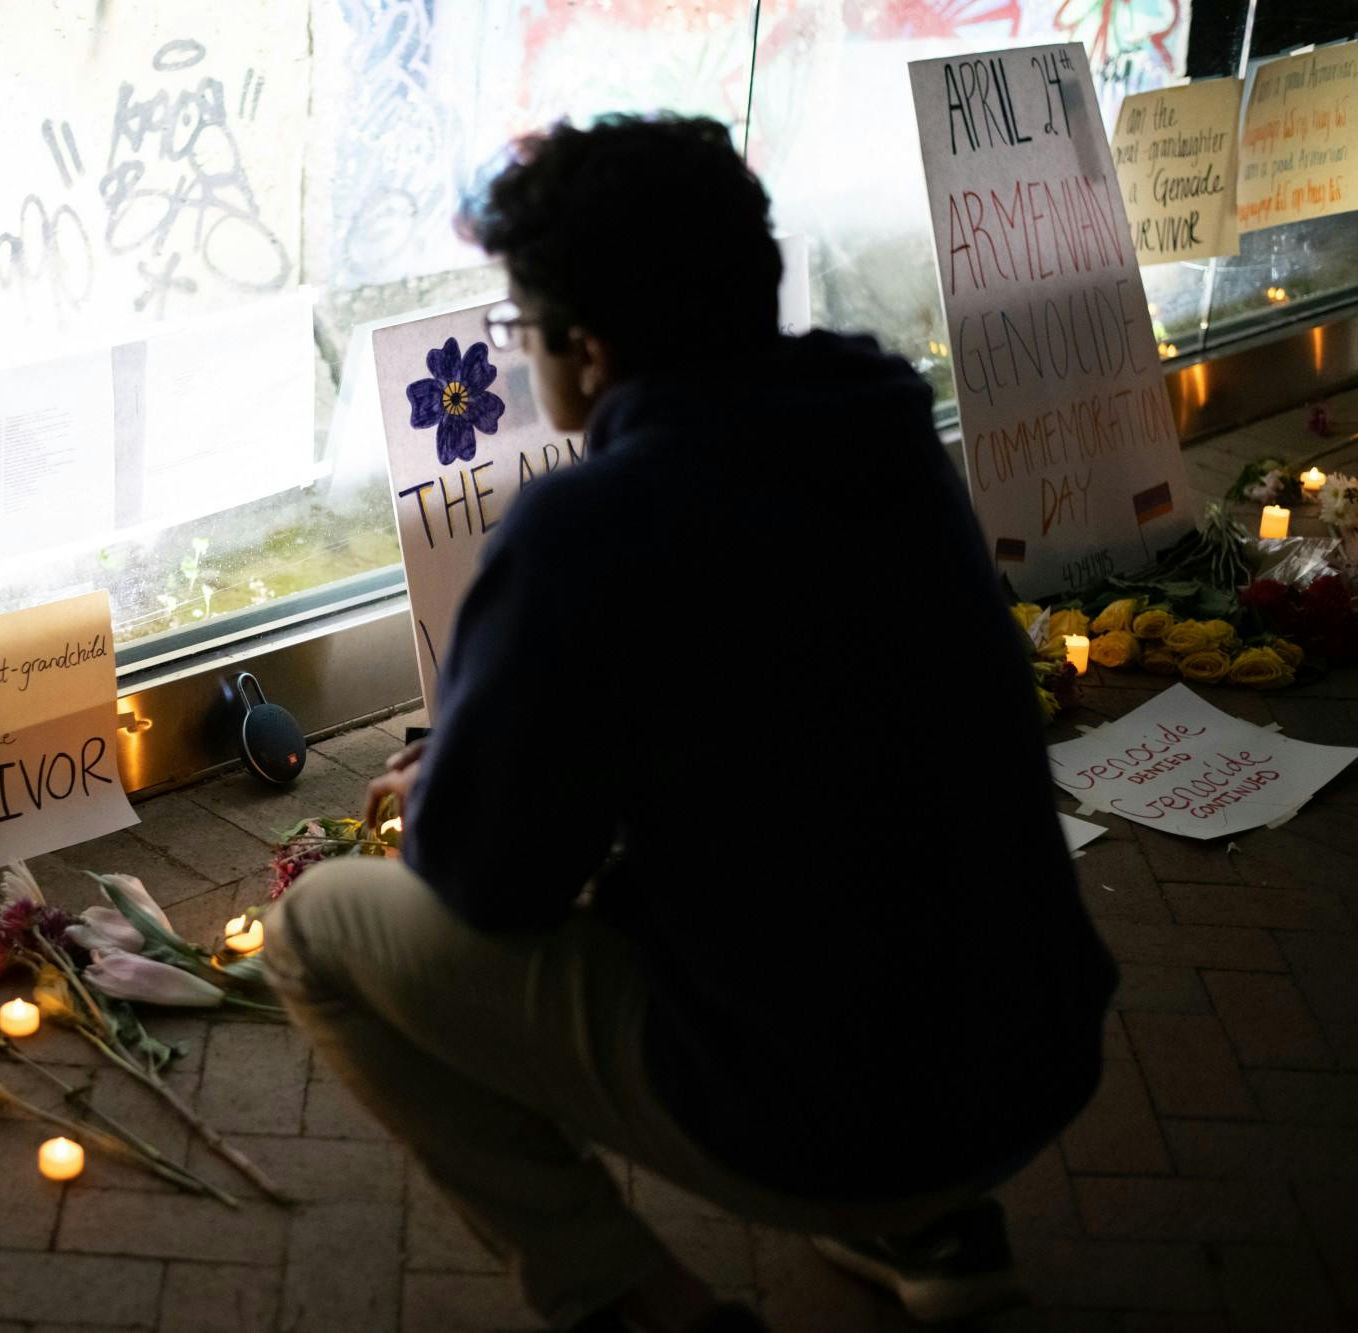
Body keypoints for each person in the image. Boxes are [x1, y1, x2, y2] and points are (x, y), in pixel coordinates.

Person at [263, 114, 1117, 1333]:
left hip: (820, 1110)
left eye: (521, 328)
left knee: (314, 932)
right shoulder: (882, 428)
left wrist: (461, 763)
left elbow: (490, 885)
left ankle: (630, 1301)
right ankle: (929, 1224)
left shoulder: (587, 527)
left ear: (587, 349)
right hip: (1033, 1046)